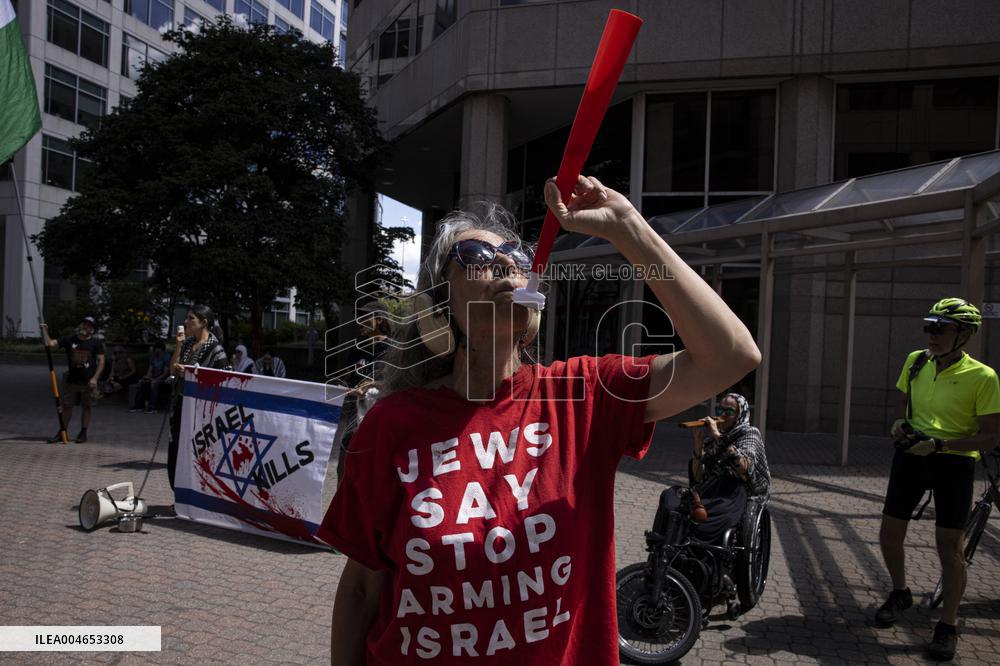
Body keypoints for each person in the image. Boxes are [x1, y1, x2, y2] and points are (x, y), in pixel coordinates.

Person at [319, 175, 761, 665]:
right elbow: (361, 589)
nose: (505, 261)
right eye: (476, 258)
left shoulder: (583, 395)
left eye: (515, 255)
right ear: (439, 304)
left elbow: (731, 356)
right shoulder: (391, 425)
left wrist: (629, 229)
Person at [876, 298, 1000, 661]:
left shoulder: (983, 377)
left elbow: (992, 436)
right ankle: (900, 592)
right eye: (929, 326)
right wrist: (900, 428)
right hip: (912, 456)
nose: (931, 335)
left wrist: (941, 444)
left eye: (940, 328)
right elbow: (901, 410)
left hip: (954, 462)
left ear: (964, 334)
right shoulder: (915, 362)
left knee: (950, 546)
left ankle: (948, 624)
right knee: (889, 533)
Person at [688, 393, 770, 542]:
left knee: (718, 518)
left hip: (733, 493)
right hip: (710, 490)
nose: (723, 415)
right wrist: (698, 445)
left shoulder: (750, 434)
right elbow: (698, 477)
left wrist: (717, 435)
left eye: (729, 411)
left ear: (740, 414)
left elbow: (743, 467)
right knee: (672, 501)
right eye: (720, 410)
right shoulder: (712, 440)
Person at [166, 305, 230, 492]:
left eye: (191, 318)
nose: (186, 322)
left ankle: (195, 494)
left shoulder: (216, 349)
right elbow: (172, 369)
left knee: (195, 453)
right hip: (180, 404)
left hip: (200, 413)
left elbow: (224, 381)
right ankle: (178, 494)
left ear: (203, 322)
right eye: (187, 318)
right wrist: (178, 345)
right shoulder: (186, 344)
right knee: (175, 451)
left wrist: (192, 375)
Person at [41, 316, 105, 443]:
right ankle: (62, 431)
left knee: (87, 406)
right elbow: (50, 343)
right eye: (83, 324)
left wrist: (95, 378)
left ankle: (83, 432)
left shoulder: (96, 343)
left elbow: (101, 362)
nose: (85, 327)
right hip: (72, 380)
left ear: (92, 330)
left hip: (88, 381)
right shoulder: (69, 340)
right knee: (67, 406)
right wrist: (45, 331)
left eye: (88, 326)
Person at [131, 342, 170, 413]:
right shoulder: (153, 357)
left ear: (160, 349)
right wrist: (147, 377)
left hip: (163, 379)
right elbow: (150, 370)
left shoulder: (166, 357)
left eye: (155, 349)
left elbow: (166, 373)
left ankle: (152, 407)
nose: (154, 351)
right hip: (153, 378)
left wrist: (155, 379)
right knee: (141, 382)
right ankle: (139, 405)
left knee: (154, 383)